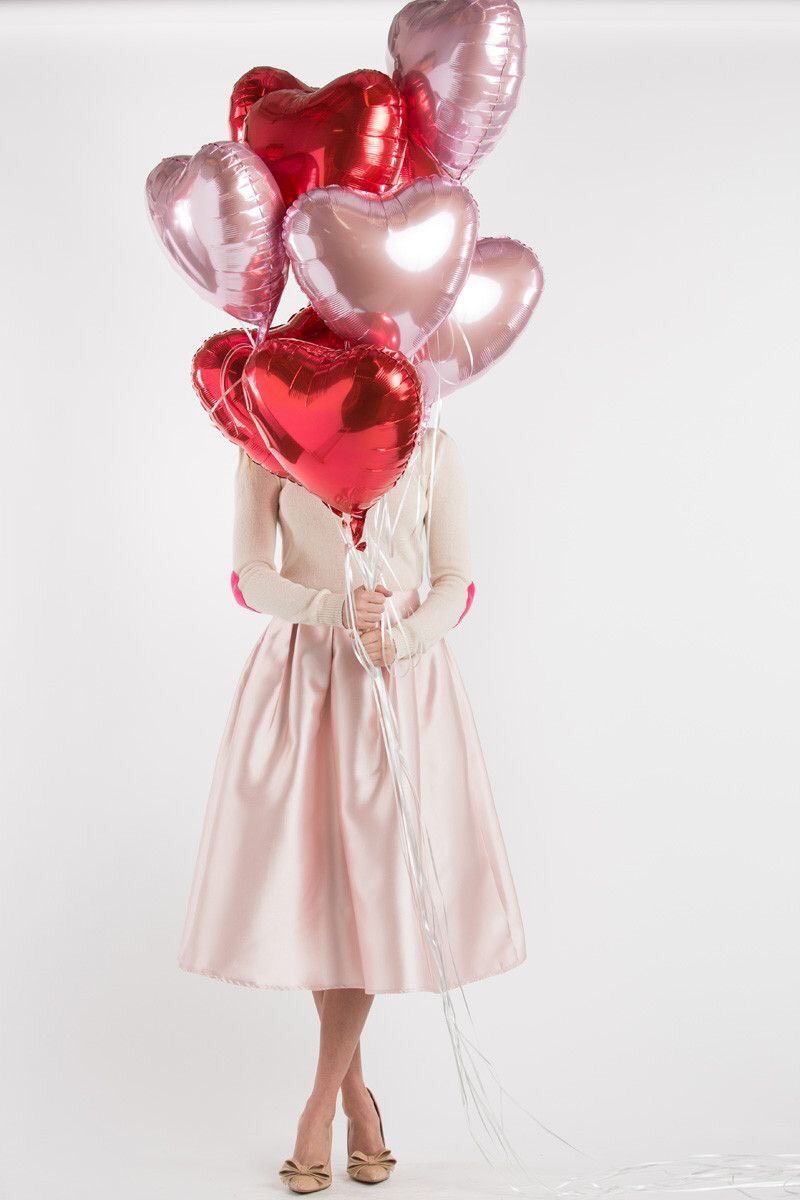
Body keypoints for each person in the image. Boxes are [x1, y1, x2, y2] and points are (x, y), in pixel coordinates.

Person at [179, 426, 526, 1193]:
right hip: (303, 674)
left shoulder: (430, 446)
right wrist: (333, 607)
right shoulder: (267, 444)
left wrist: (406, 635)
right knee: (321, 886)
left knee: (371, 884)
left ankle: (321, 1108)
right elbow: (248, 575)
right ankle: (356, 1102)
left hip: (401, 682)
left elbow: (455, 580)